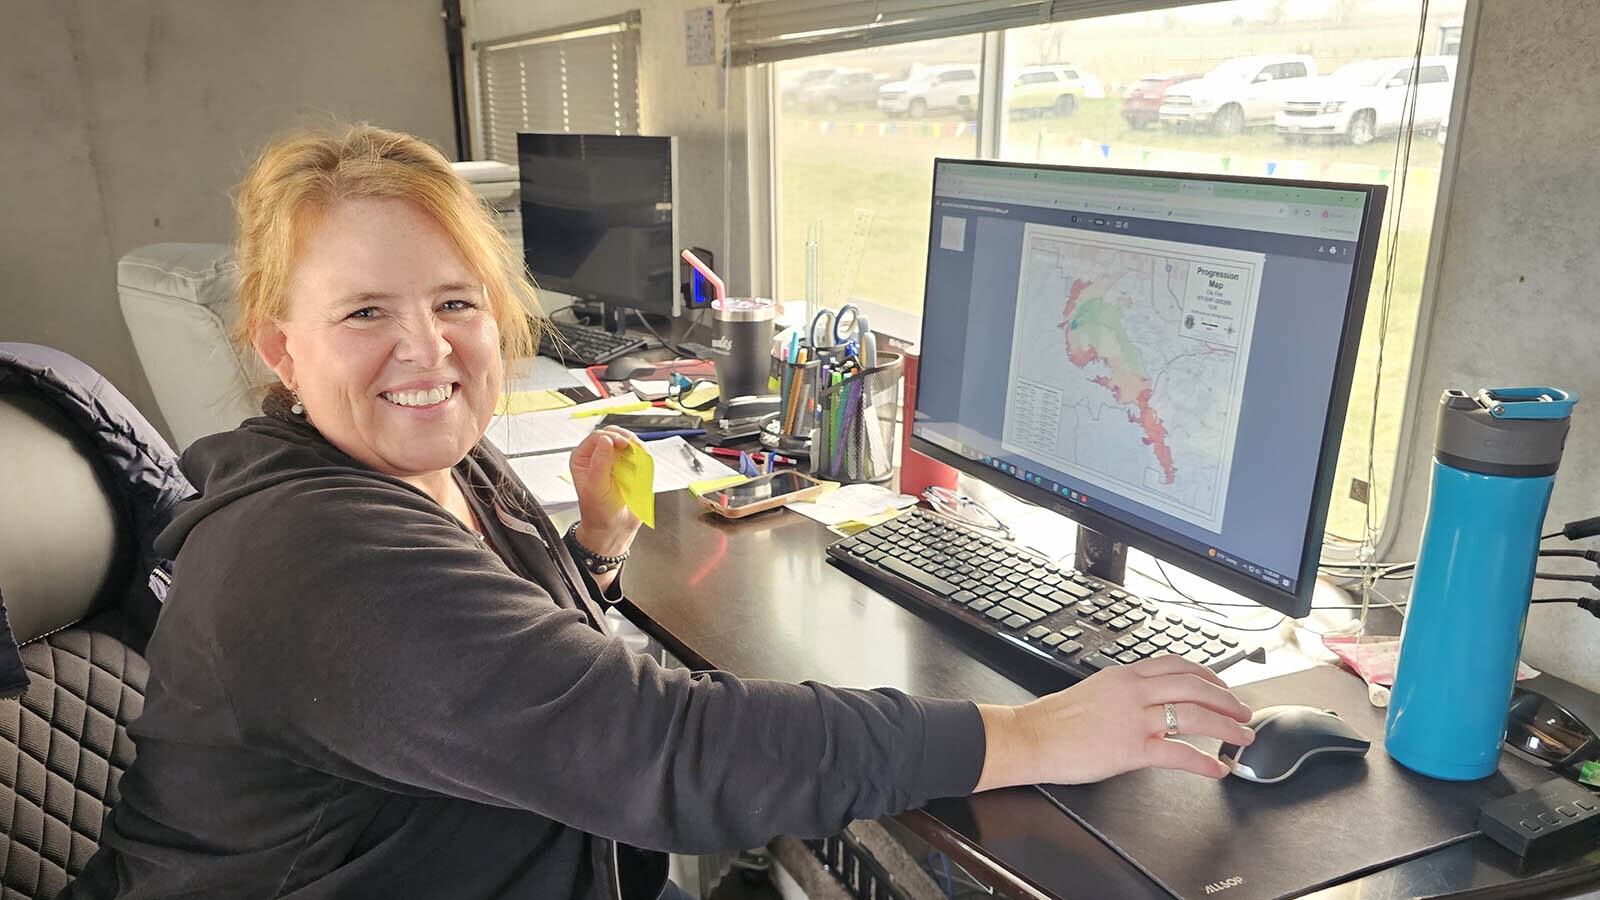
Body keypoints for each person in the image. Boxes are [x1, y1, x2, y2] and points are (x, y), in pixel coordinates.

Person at [65, 124, 1253, 900]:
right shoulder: (311, 555)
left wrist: (595, 549)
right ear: (281, 344)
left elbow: (498, 676)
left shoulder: (424, 466)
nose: (426, 350)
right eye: (364, 313)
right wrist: (1041, 733)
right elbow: (658, 749)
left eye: (455, 302)